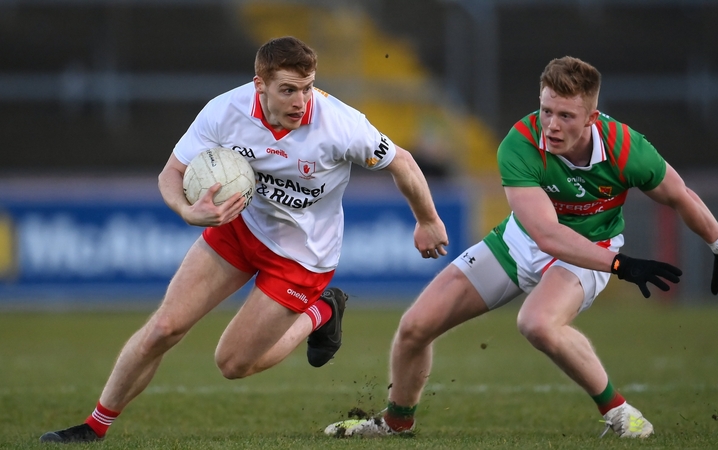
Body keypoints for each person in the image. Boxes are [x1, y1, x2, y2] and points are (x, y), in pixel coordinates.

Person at [324, 56, 718, 439]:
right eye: (546, 110)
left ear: (592, 118)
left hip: (590, 248)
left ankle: (620, 413)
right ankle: (396, 423)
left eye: (566, 116)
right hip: (525, 242)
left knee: (537, 324)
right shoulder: (519, 143)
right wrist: (621, 265)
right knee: (415, 327)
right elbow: (545, 234)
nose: (551, 125)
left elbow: (679, 195)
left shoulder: (627, 148)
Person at [39, 36, 449, 444]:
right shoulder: (225, 111)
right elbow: (171, 174)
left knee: (232, 363)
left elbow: (404, 163)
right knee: (164, 327)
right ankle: (93, 428)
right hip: (240, 228)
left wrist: (427, 220)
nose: (299, 101)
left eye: (306, 88)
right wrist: (187, 211)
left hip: (302, 256)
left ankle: (320, 312)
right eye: (287, 90)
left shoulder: (340, 125)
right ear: (260, 86)